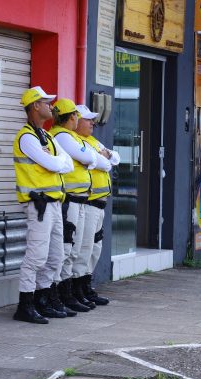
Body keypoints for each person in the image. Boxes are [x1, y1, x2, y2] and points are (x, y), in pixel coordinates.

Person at [12, 86, 74, 324]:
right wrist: (57, 162)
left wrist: (56, 162)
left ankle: (43, 300)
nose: (51, 106)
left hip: (54, 204)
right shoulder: (26, 137)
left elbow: (65, 164)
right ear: (35, 106)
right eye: (46, 103)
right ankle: (25, 305)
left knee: (56, 255)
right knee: (36, 256)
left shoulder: (46, 136)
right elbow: (53, 163)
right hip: (39, 205)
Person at [49, 98, 98, 313]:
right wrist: (90, 158)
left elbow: (93, 159)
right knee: (67, 249)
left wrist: (90, 158)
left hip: (79, 201)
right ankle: (61, 294)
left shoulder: (69, 136)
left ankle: (68, 292)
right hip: (69, 201)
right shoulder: (62, 136)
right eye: (77, 116)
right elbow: (89, 158)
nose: (79, 119)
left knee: (76, 248)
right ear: (71, 117)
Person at [73, 104, 120, 305]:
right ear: (75, 121)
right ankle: (77, 289)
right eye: (87, 119)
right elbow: (105, 163)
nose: (92, 122)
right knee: (84, 248)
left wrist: (106, 156)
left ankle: (86, 286)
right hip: (89, 202)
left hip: (100, 203)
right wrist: (104, 158)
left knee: (95, 247)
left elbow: (115, 158)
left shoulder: (92, 141)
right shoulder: (76, 141)